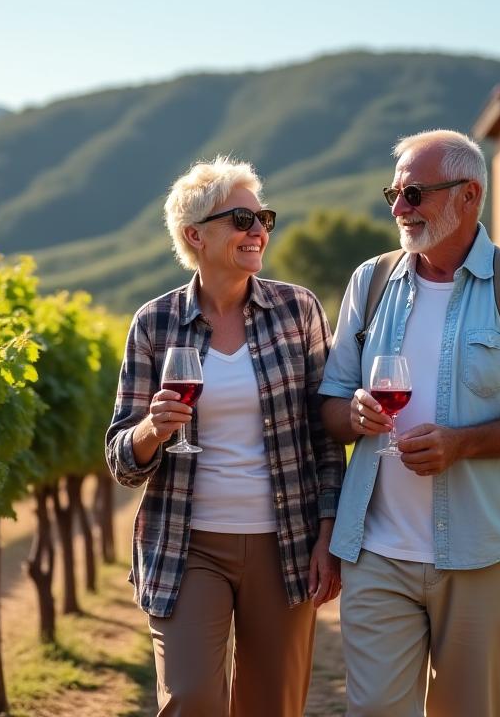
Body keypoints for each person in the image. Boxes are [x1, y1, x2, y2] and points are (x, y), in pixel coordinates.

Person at [318, 129, 500, 717]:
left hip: (483, 550)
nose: (398, 209)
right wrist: (353, 413)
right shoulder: (372, 281)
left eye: (414, 194)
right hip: (377, 552)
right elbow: (330, 406)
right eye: (394, 194)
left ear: (469, 195)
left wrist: (463, 444)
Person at [105, 155, 344, 716]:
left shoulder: (298, 310)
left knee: (272, 705)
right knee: (190, 700)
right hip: (186, 545)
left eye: (263, 218)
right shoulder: (154, 324)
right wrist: (151, 430)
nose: (257, 230)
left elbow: (324, 434)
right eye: (240, 219)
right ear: (196, 235)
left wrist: (328, 532)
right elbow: (121, 457)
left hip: (284, 541)